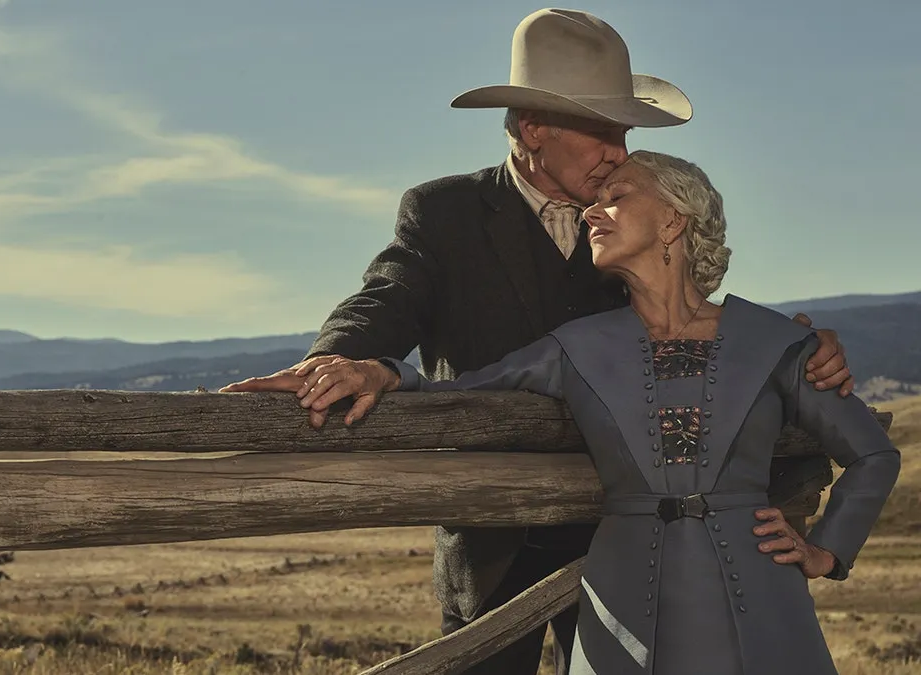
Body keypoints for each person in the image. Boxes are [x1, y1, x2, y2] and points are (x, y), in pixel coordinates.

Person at [220, 9, 855, 674]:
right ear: (533, 128)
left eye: (625, 129)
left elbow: (691, 322)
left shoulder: (631, 218)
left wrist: (795, 355)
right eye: (602, 129)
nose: (620, 148)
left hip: (630, 542)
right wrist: (341, 354)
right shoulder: (445, 215)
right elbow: (389, 296)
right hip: (492, 541)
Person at [264, 150, 900, 674]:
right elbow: (457, 393)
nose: (594, 209)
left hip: (759, 592)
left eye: (618, 196)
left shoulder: (777, 342)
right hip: (623, 594)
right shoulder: (576, 349)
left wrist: (825, 551)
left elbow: (872, 455)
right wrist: (376, 368)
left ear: (675, 222)